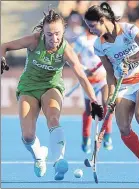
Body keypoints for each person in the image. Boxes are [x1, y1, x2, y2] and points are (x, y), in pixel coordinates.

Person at [0, 9, 104, 181]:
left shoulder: (66, 50)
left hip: (52, 86)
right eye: (49, 34)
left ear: (63, 31)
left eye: (57, 34)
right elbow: (4, 46)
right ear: (43, 32)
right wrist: (1, 58)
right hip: (28, 87)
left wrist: (94, 100)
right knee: (27, 136)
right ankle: (39, 156)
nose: (54, 39)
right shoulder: (34, 40)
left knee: (53, 119)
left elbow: (82, 76)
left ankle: (58, 162)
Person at [84, 2, 139, 183]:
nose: (90, 30)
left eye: (92, 26)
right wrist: (110, 95)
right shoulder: (99, 45)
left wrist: (129, 59)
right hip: (123, 85)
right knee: (124, 128)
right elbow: (109, 72)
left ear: (102, 21)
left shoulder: (128, 30)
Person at [73, 25, 113, 153]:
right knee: (89, 110)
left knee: (108, 104)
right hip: (88, 81)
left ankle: (106, 136)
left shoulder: (103, 39)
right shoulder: (81, 40)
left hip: (102, 78)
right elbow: (73, 59)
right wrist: (84, 69)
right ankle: (86, 139)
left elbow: (110, 56)